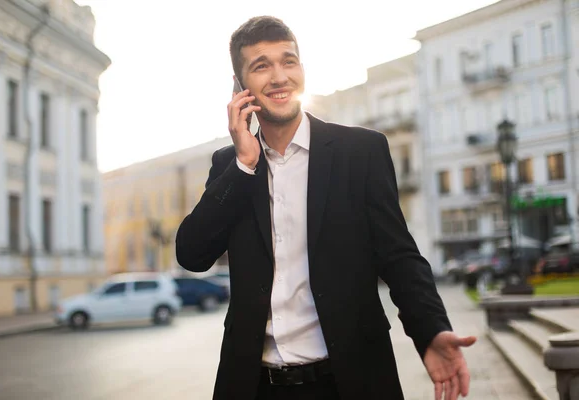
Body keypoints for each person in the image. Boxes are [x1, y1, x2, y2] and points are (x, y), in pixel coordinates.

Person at [175, 15, 476, 400]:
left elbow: (398, 255)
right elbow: (192, 254)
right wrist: (243, 165)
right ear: (240, 87)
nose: (279, 76)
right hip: (256, 386)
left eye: (289, 61)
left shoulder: (360, 152)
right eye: (261, 66)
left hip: (350, 381)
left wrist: (430, 330)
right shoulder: (230, 165)